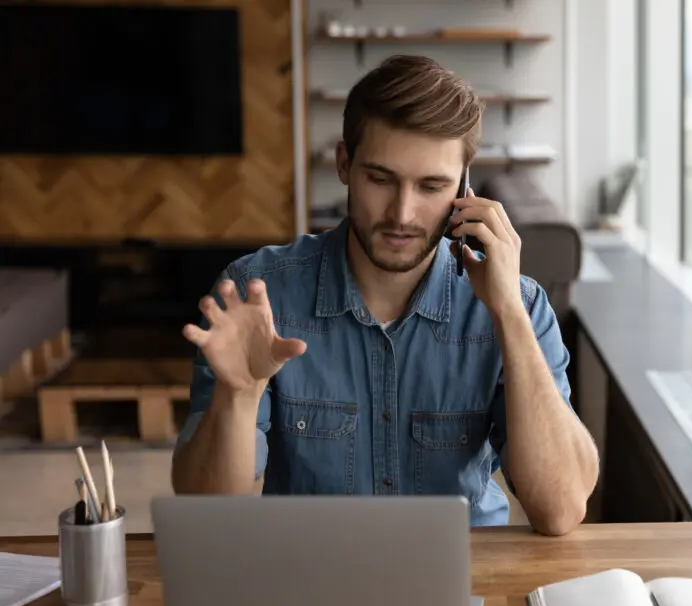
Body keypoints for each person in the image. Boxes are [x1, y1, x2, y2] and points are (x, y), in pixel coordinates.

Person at [171, 55, 599, 536]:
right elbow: (205, 514)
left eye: (431, 186)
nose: (403, 213)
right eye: (380, 179)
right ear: (344, 165)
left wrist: (510, 317)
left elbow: (560, 510)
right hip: (310, 575)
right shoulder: (259, 295)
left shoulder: (520, 304)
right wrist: (238, 396)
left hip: (467, 577)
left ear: (463, 188)